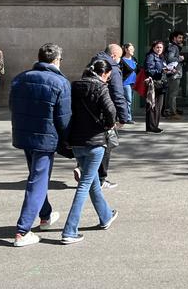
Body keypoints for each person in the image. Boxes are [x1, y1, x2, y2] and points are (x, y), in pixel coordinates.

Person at [9, 43, 71, 248]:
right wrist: (69, 141)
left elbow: (12, 105)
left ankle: (45, 215)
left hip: (25, 133)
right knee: (38, 179)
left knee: (37, 177)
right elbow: (63, 118)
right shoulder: (60, 82)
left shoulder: (21, 78)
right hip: (45, 137)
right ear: (57, 60)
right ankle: (22, 230)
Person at [61, 59, 119, 244]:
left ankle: (105, 216)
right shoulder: (101, 88)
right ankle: (69, 230)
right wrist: (110, 124)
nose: (108, 79)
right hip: (95, 141)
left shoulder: (75, 86)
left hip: (77, 141)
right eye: (108, 76)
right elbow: (111, 110)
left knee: (92, 180)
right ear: (103, 74)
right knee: (85, 184)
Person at [88, 44, 127, 189]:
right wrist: (123, 116)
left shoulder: (91, 65)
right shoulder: (112, 68)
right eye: (119, 58)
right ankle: (101, 178)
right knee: (106, 144)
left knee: (90, 142)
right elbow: (117, 94)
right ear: (114, 56)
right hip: (105, 113)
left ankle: (83, 167)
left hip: (88, 111)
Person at [144, 40, 167, 133]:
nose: (159, 49)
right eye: (157, 47)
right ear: (153, 48)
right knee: (153, 105)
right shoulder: (150, 56)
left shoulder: (161, 57)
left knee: (158, 106)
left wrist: (169, 71)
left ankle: (154, 126)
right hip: (154, 83)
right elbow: (149, 70)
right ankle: (151, 126)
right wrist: (161, 71)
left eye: (161, 47)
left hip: (161, 83)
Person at [163, 30, 186, 119]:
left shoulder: (173, 47)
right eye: (179, 38)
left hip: (172, 73)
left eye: (182, 38)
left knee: (170, 93)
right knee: (173, 94)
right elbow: (170, 58)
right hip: (174, 74)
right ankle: (172, 112)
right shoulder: (173, 47)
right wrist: (180, 58)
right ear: (174, 38)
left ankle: (169, 110)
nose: (181, 39)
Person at [120, 43, 138, 124]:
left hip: (133, 82)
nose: (132, 51)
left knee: (130, 100)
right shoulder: (122, 61)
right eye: (130, 49)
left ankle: (126, 116)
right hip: (125, 83)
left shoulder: (134, 59)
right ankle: (127, 118)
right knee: (128, 100)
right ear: (126, 50)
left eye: (133, 49)